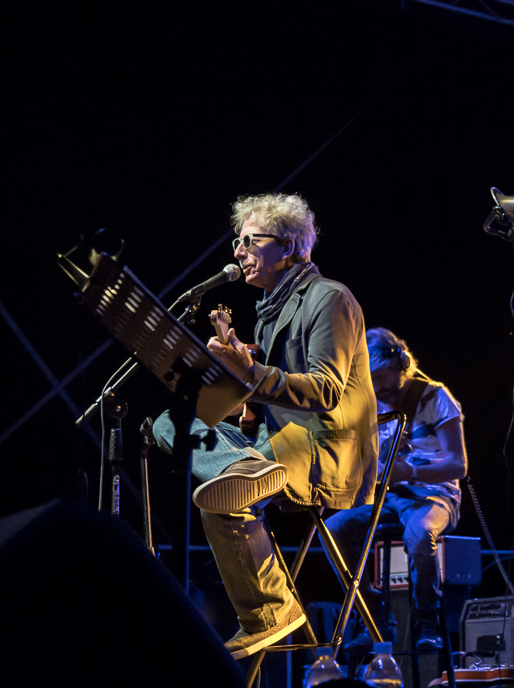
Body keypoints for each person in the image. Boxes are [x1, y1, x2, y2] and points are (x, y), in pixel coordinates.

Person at [152, 192, 378, 659]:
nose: (238, 252)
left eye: (250, 241)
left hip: (320, 447)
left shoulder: (329, 297)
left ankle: (269, 611)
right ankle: (240, 467)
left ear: (291, 246)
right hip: (270, 443)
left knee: (219, 499)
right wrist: (238, 387)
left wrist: (250, 374)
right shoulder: (271, 310)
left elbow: (325, 391)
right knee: (165, 423)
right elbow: (266, 397)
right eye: (238, 242)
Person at [327, 328, 466, 653]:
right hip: (392, 497)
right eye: (369, 378)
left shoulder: (435, 397)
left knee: (419, 534)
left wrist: (411, 471)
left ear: (400, 364)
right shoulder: (371, 403)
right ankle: (371, 613)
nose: (376, 386)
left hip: (435, 495)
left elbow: (458, 465)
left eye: (381, 376)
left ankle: (427, 621)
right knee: (333, 528)